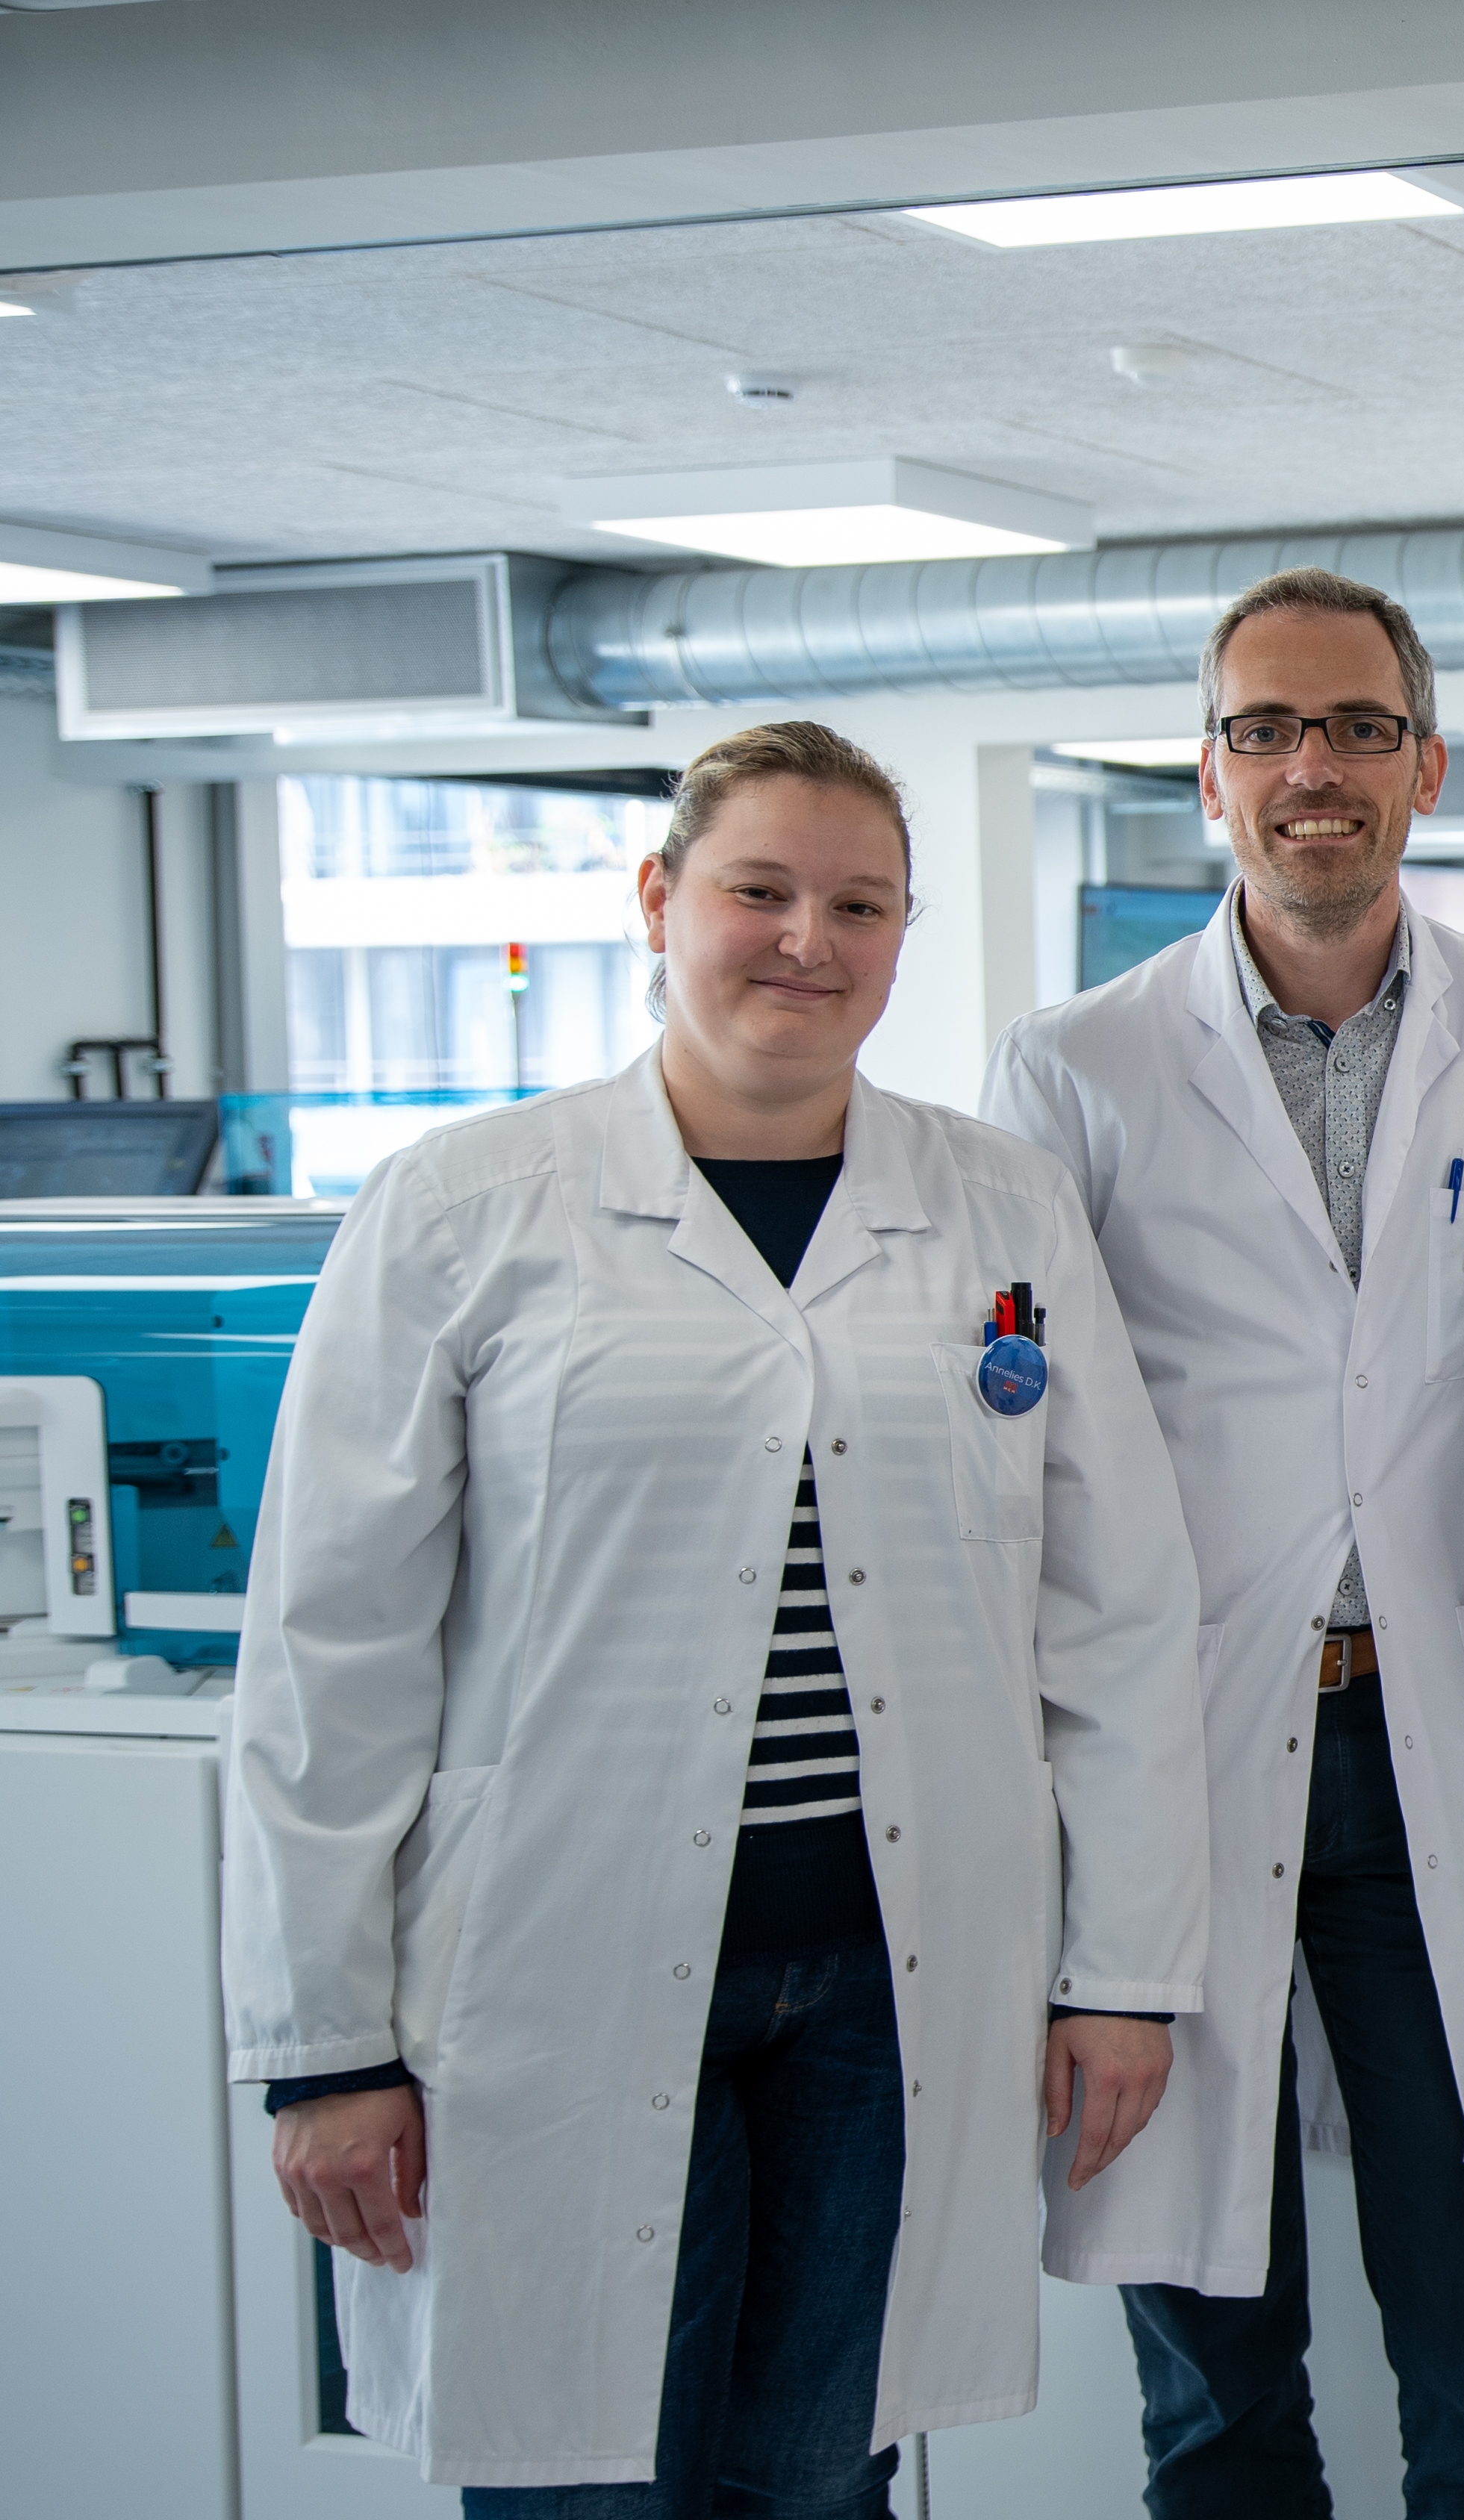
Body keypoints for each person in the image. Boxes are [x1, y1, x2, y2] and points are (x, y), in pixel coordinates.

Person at [231, 720, 1212, 2511]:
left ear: (905, 934)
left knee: (824, 2481)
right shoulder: (465, 1211)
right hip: (562, 1976)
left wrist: (1124, 1971)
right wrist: (327, 2042)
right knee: (588, 2478)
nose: (805, 941)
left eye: (859, 903)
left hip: (891, 1982)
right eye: (760, 890)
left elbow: (1119, 1609)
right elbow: (329, 1648)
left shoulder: (999, 1205)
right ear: (659, 897)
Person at [982, 569, 1464, 2519]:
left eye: (1353, 727)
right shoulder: (1075, 1065)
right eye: (1264, 730)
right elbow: (1021, 1426)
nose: (1311, 769)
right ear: (1208, 775)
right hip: (1170, 1752)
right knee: (1209, 2367)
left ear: (1426, 763)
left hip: (1461, 1726)